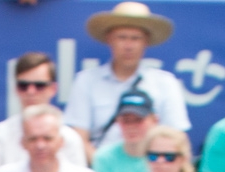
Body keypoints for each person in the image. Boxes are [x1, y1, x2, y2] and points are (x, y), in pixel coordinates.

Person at [66, 2, 188, 148]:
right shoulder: (86, 81)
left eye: (135, 38)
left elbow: (176, 138)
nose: (129, 46)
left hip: (152, 167)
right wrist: (104, 165)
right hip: (99, 166)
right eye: (122, 37)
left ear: (146, 42)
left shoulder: (166, 83)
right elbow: (79, 138)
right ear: (109, 39)